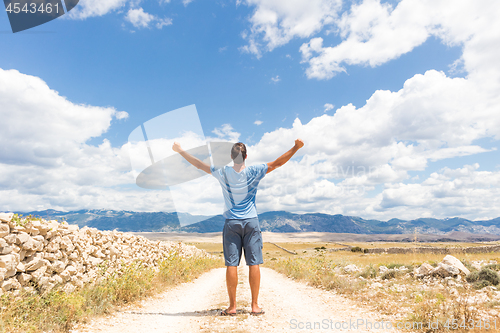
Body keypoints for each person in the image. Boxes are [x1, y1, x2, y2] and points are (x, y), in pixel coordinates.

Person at [172, 138, 304, 316]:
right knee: (254, 263)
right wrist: (296, 147)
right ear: (246, 156)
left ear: (231, 157)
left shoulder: (223, 172)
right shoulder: (255, 171)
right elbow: (278, 163)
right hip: (251, 221)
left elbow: (198, 164)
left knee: (232, 264)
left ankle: (232, 307)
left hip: (231, 222)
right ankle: (255, 306)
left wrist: (180, 150)